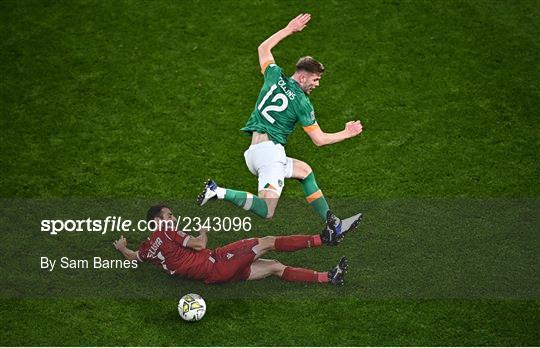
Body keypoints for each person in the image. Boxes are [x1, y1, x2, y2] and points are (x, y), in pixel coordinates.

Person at [197, 13, 363, 235]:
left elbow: (263, 49)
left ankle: (332, 224)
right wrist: (346, 133)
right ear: (303, 78)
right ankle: (218, 191)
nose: (317, 84)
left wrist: (289, 29)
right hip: (270, 155)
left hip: (254, 152)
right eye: (316, 79)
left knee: (305, 171)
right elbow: (319, 140)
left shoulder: (275, 76)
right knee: (267, 211)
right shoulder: (303, 103)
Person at [113, 204, 362, 285]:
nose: (173, 218)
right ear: (158, 221)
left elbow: (134, 257)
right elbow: (199, 246)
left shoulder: (148, 247)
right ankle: (324, 238)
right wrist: (202, 232)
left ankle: (329, 278)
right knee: (267, 242)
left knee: (274, 266)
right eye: (169, 215)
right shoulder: (166, 230)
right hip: (217, 262)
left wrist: (122, 247)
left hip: (214, 275)